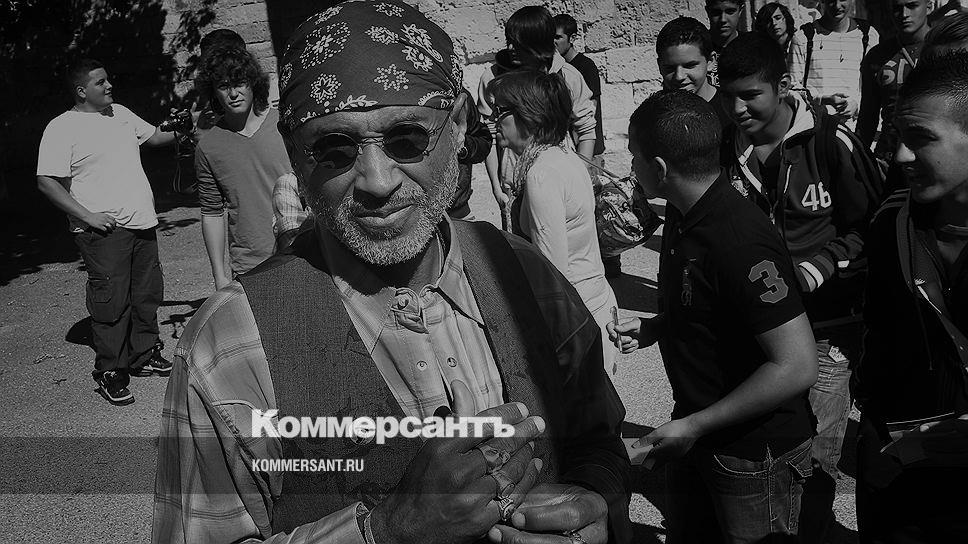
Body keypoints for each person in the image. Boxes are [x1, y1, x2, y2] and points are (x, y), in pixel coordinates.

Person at [152, 2, 631, 544]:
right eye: (334, 149)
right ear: (295, 154)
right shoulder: (230, 347)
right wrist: (384, 531)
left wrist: (592, 499)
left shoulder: (525, 276)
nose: (377, 181)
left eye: (407, 139)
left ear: (458, 126)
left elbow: (599, 440)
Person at [609, 89, 818, 543]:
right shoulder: (684, 216)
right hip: (698, 431)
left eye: (634, 157)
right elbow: (714, 307)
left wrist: (693, 426)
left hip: (751, 454)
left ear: (659, 168)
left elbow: (797, 365)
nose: (631, 168)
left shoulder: (738, 238)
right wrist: (658, 327)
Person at [718, 32, 884, 544]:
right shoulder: (728, 148)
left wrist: (822, 264)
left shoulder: (831, 143)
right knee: (769, 447)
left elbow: (873, 225)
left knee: (817, 454)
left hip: (828, 330)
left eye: (751, 95)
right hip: (761, 331)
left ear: (784, 85)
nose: (738, 109)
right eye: (729, 95)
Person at [853, 50, 968, 544]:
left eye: (920, 138)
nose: (900, 156)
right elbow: (880, 333)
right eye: (898, 136)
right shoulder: (891, 223)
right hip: (898, 472)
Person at [36, 59, 179, 405]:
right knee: (111, 302)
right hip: (103, 231)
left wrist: (188, 126)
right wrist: (87, 216)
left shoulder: (120, 113)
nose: (109, 85)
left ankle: (144, 353)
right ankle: (111, 371)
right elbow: (46, 181)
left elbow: (156, 136)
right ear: (81, 91)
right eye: (100, 82)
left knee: (146, 294)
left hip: (142, 222)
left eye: (108, 79)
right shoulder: (61, 127)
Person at [488, 70, 619, 375]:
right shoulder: (565, 156)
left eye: (500, 111)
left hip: (577, 322)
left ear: (528, 115)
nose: (494, 121)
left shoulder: (542, 175)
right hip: (594, 304)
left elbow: (552, 275)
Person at [478, 5, 597, 226]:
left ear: (539, 42)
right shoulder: (493, 79)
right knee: (520, 247)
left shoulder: (568, 77)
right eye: (509, 41)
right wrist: (497, 188)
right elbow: (489, 134)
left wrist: (581, 174)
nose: (511, 48)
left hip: (560, 184)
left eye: (519, 43)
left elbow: (586, 130)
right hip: (513, 188)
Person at [194, 46, 292, 288]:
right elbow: (211, 213)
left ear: (253, 84)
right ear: (213, 92)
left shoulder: (285, 125)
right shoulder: (208, 147)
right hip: (250, 262)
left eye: (239, 83)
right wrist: (219, 275)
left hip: (302, 249)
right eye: (224, 86)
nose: (233, 93)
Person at [553, 13, 618, 276]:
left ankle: (611, 262)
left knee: (597, 207)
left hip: (589, 148)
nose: (554, 42)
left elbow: (588, 110)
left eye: (558, 37)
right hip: (573, 148)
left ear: (572, 38)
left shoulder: (584, 67)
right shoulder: (557, 69)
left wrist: (584, 151)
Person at [857, 0, 929, 164]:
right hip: (888, 157)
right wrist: (858, 160)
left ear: (929, 6)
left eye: (912, 6)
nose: (904, 14)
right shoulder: (877, 56)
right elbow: (867, 117)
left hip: (933, 155)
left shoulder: (947, 49)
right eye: (897, 8)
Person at [791, 0, 880, 127]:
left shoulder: (868, 35)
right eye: (831, 0)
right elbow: (792, 88)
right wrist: (823, 100)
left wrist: (858, 104)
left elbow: (875, 85)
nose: (837, 6)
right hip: (816, 128)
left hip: (856, 129)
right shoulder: (803, 37)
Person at [656, 16, 732, 129]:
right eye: (669, 68)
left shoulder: (731, 111)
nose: (679, 76)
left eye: (689, 66)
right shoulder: (654, 115)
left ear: (711, 61)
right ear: (659, 66)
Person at [705, 0, 745, 87]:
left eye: (730, 12)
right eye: (716, 12)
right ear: (708, 12)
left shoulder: (751, 46)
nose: (723, 19)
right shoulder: (698, 47)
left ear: (740, 11)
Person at [755, 2, 799, 68]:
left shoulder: (800, 43)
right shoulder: (762, 51)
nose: (774, 23)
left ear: (786, 19)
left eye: (778, 18)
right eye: (768, 20)